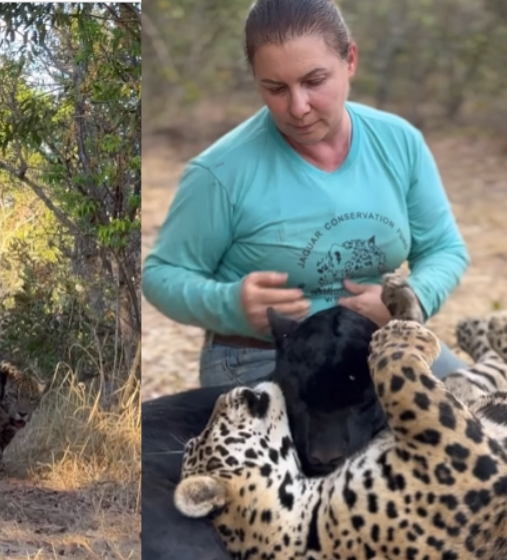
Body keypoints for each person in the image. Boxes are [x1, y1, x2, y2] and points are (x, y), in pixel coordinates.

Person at [143, 0, 471, 389]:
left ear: (350, 59)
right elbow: (161, 275)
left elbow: (444, 248)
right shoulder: (219, 172)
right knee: (349, 447)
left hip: (383, 342)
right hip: (262, 357)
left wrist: (409, 300)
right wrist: (231, 305)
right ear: (256, 79)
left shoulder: (399, 142)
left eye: (314, 81)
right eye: (275, 88)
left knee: (483, 417)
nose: (298, 107)